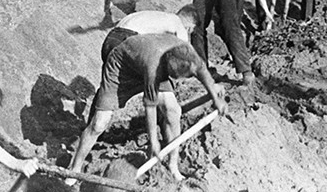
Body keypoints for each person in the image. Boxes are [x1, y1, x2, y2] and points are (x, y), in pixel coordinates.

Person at [66, 34, 226, 183]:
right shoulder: (153, 66)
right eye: (173, 74)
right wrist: (154, 141)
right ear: (169, 65)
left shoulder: (187, 53)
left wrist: (216, 99)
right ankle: (75, 169)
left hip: (150, 60)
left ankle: (173, 165)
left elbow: (202, 71)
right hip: (121, 67)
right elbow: (150, 107)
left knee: (173, 111)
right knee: (99, 124)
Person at [101, 6, 198, 61]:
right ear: (189, 26)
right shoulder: (177, 22)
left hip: (112, 37)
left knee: (109, 82)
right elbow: (184, 51)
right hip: (128, 39)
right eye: (190, 30)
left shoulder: (158, 16)